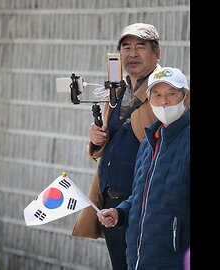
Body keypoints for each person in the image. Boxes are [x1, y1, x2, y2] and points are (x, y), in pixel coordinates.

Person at [72, 22, 161, 270]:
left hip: (145, 202)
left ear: (157, 53)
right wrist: (95, 139)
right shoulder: (118, 90)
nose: (132, 53)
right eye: (126, 47)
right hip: (112, 203)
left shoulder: (165, 91)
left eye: (140, 47)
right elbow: (111, 137)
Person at [97, 66, 190, 270]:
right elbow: (143, 194)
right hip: (139, 259)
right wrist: (120, 212)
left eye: (171, 94)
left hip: (176, 261)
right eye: (156, 94)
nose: (163, 101)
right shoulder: (149, 141)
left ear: (187, 98)